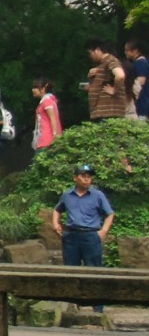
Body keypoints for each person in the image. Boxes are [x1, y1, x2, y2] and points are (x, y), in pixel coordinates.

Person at [52, 163, 115, 312]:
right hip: (71, 236)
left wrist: (104, 230)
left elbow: (110, 214)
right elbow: (57, 209)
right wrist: (55, 224)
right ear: (75, 178)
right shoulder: (67, 195)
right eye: (83, 176)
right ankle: (72, 306)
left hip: (91, 236)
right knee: (71, 271)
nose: (86, 179)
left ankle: (97, 309)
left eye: (89, 177)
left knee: (95, 271)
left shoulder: (97, 195)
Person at [87, 40, 132, 121]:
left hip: (109, 112)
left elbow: (120, 75)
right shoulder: (102, 64)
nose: (90, 56)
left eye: (90, 53)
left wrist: (114, 90)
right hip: (103, 111)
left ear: (97, 50)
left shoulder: (110, 60)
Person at [32, 77, 63, 152]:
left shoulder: (46, 101)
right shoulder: (48, 100)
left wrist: (55, 136)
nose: (33, 90)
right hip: (45, 142)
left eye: (35, 87)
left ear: (43, 89)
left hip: (46, 141)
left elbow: (53, 119)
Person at [129, 37, 149, 119]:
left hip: (141, 102)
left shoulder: (141, 63)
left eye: (127, 50)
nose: (125, 52)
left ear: (135, 51)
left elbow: (141, 81)